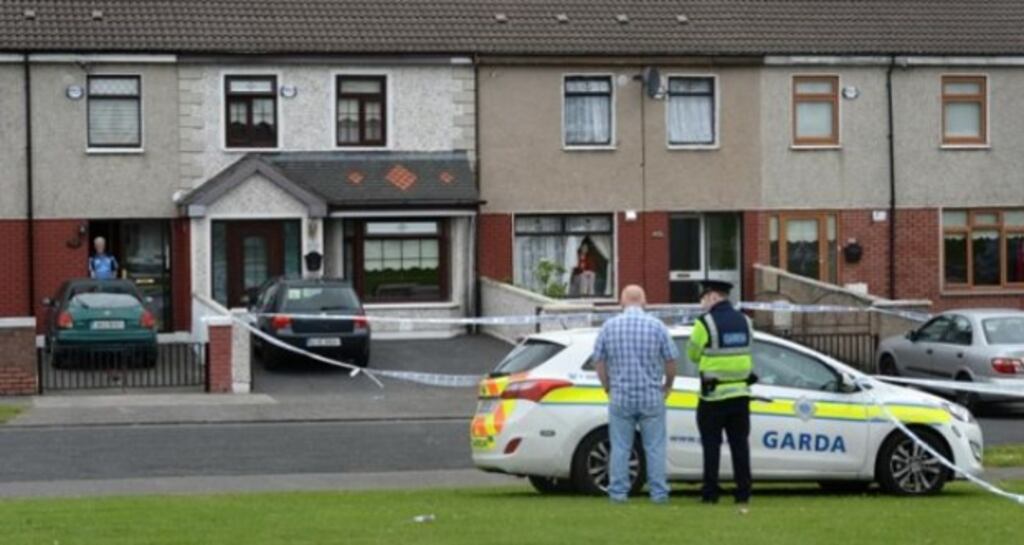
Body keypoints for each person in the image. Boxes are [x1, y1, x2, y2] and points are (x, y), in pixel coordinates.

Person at [591, 285, 678, 503]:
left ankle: (618, 493)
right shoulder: (657, 326)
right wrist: (667, 385)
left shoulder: (609, 327)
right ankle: (659, 494)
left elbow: (598, 360)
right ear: (644, 300)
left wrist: (607, 386)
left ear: (621, 301)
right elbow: (670, 360)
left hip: (620, 396)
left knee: (620, 447)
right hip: (651, 396)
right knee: (655, 447)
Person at [687, 280, 755, 512]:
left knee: (711, 446)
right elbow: (748, 349)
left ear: (714, 297)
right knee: (740, 446)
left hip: (713, 396)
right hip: (740, 393)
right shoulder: (746, 321)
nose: (702, 302)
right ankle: (743, 492)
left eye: (704, 297)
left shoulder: (704, 323)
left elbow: (693, 354)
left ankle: (710, 493)